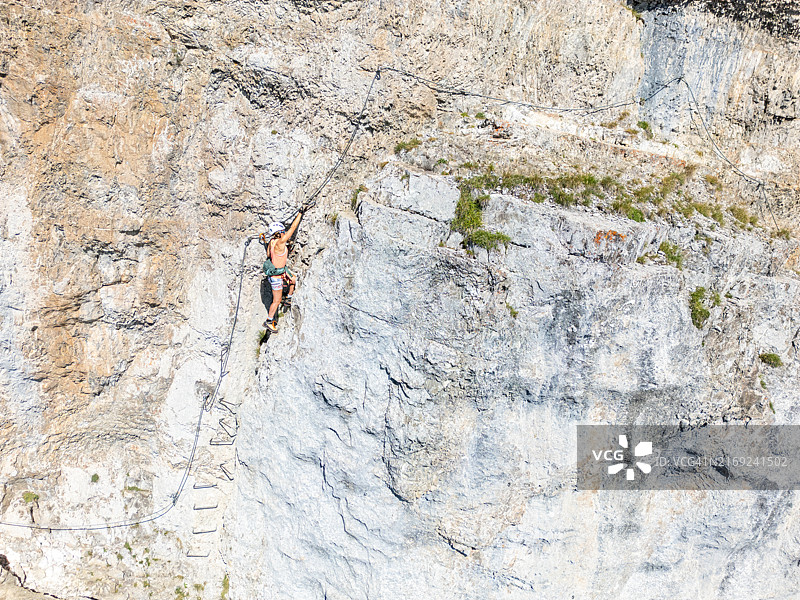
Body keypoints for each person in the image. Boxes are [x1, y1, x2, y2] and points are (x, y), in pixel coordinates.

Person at [262, 209, 303, 332]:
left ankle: (288, 298)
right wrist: (300, 213)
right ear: (279, 233)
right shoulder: (280, 242)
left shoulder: (272, 242)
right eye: (282, 232)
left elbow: (269, 255)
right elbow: (293, 228)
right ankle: (269, 321)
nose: (284, 232)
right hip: (276, 277)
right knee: (276, 300)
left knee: (294, 280)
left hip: (279, 272)